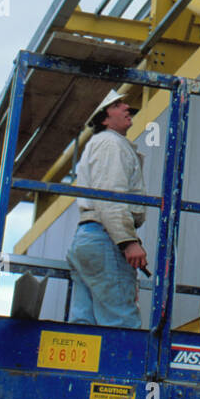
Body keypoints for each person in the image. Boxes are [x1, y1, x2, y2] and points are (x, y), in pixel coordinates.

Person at [66, 88, 148, 329]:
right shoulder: (112, 143)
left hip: (89, 239)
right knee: (120, 323)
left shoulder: (99, 144)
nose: (126, 108)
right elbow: (110, 196)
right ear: (104, 118)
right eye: (118, 105)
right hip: (106, 239)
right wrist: (127, 241)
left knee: (84, 326)